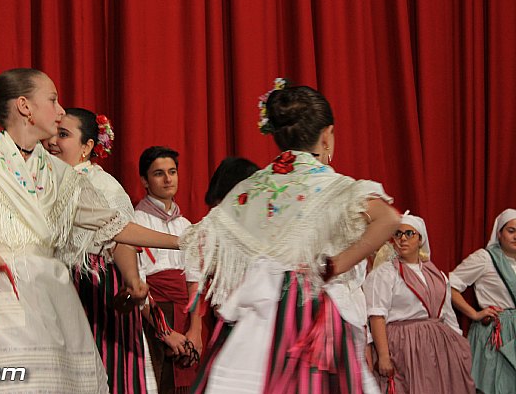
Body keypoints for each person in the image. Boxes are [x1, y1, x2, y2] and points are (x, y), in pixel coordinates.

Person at [0, 68, 180, 393]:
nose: (60, 110)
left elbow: (115, 225)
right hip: (3, 310)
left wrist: (184, 240)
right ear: (25, 107)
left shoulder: (59, 174)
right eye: (52, 100)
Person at [181, 81, 399, 393]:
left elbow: (200, 238)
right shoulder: (334, 186)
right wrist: (338, 263)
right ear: (326, 135)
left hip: (258, 317)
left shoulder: (252, 187)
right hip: (309, 314)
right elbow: (388, 219)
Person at [44, 107, 150, 394]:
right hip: (54, 294)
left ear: (87, 146)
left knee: (104, 376)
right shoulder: (42, 182)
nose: (52, 140)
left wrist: (131, 279)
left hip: (95, 293)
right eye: (52, 133)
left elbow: (122, 238)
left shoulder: (104, 186)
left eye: (63, 134)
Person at [363, 213, 474, 394]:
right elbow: (377, 316)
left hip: (439, 346)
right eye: (397, 234)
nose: (402, 239)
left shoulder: (436, 274)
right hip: (404, 345)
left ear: (421, 238)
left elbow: (447, 313)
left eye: (409, 233)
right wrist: (383, 356)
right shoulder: (385, 273)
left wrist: (459, 345)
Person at [135, 146, 201, 394]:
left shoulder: (186, 225)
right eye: (159, 173)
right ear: (144, 180)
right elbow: (137, 281)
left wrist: (195, 330)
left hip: (185, 314)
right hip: (152, 315)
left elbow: (194, 280)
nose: (168, 179)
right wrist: (165, 332)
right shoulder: (136, 221)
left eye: (172, 172)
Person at [449, 208, 516, 394]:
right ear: (499, 233)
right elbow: (449, 285)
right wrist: (474, 314)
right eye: (511, 231)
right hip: (497, 333)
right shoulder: (485, 258)